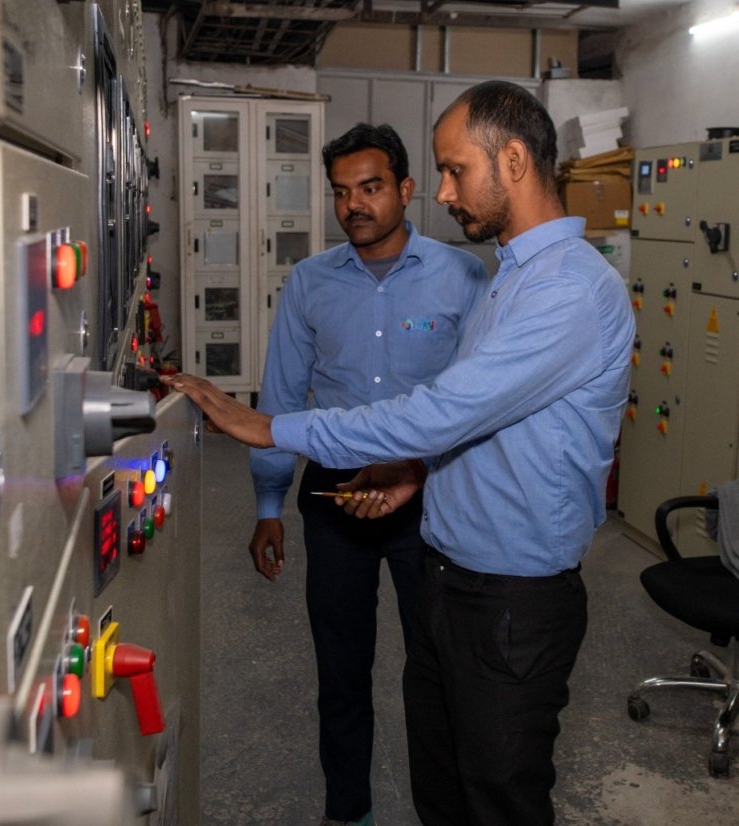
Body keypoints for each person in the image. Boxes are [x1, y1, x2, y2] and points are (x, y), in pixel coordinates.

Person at [165, 80, 635, 826]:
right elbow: (475, 422)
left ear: (512, 161)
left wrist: (269, 428)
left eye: (455, 171)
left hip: (511, 597)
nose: (444, 193)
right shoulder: (510, 279)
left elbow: (441, 411)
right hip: (455, 575)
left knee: (500, 799)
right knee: (445, 791)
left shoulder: (569, 291)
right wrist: (414, 473)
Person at [249, 123, 488, 826]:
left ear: (406, 190)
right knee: (342, 672)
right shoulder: (309, 283)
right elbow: (281, 398)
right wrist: (269, 502)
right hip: (334, 495)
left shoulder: (463, 277)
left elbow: (479, 397)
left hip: (430, 495)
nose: (354, 204)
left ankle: (441, 811)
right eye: (342, 192)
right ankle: (346, 811)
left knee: (438, 670)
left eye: (371, 187)